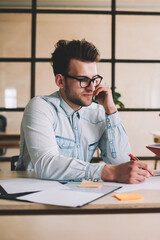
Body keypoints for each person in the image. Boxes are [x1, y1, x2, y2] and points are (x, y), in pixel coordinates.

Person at [16, 39, 151, 183]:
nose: (92, 88)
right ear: (60, 81)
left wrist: (111, 110)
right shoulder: (40, 107)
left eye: (94, 79)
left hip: (78, 194)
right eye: (83, 79)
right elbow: (46, 164)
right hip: (34, 195)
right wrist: (106, 171)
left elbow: (121, 162)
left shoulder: (98, 112)